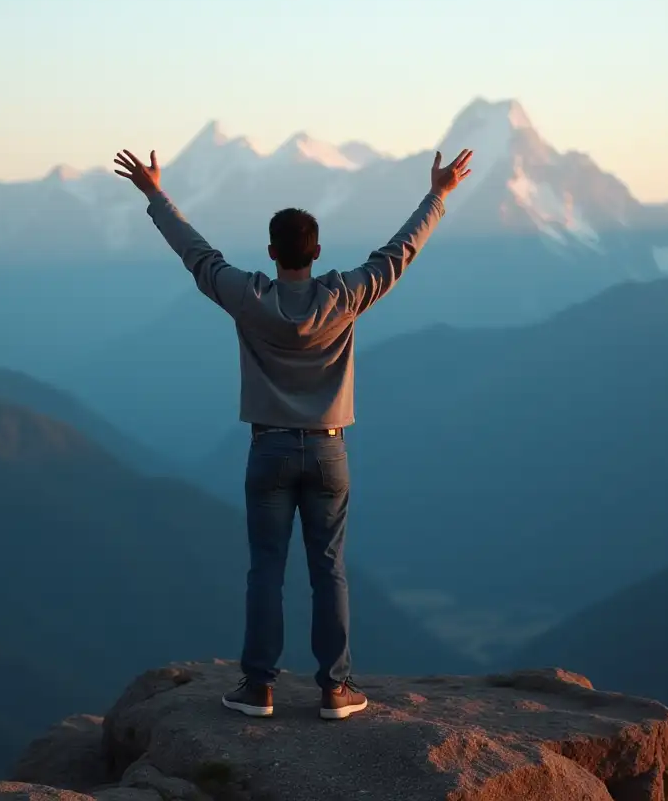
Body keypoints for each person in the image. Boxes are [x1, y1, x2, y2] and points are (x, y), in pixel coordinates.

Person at [113, 145, 473, 720]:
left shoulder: (246, 297)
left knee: (266, 571)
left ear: (273, 253)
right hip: (330, 451)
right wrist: (439, 193)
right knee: (328, 570)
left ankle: (259, 689)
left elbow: (196, 254)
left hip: (269, 448)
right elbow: (398, 253)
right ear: (318, 252)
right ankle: (335, 690)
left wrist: (155, 195)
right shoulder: (345, 295)